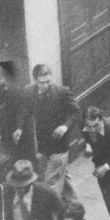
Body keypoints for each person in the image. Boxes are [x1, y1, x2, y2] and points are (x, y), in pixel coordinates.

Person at [15, 63, 81, 201]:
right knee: (63, 176)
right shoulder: (28, 92)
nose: (46, 85)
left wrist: (65, 126)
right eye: (42, 82)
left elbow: (76, 112)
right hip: (43, 144)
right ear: (35, 80)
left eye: (48, 81)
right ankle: (76, 208)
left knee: (50, 182)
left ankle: (54, 212)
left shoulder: (62, 91)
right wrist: (19, 127)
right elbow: (24, 111)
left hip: (59, 145)